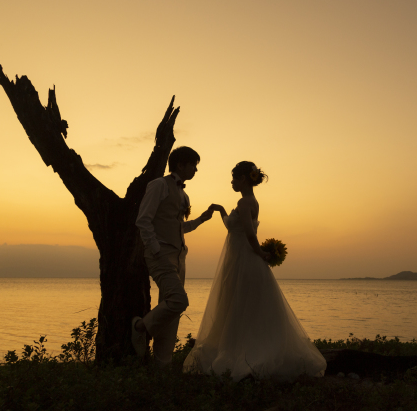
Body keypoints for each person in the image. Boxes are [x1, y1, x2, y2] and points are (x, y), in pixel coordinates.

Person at [183, 161, 327, 381]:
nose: (231, 182)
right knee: (241, 308)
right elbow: (234, 227)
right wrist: (221, 211)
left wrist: (260, 253)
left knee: (240, 307)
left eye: (233, 178)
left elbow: (250, 234)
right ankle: (244, 348)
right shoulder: (250, 201)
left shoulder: (244, 202)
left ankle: (245, 354)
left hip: (245, 260)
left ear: (243, 179)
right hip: (240, 260)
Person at [131, 146, 216, 365]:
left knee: (172, 312)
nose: (196, 170)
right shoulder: (159, 185)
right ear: (180, 164)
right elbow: (143, 219)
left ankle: (163, 365)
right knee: (179, 301)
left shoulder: (184, 194)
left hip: (179, 256)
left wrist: (201, 220)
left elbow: (178, 227)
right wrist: (156, 249)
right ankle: (139, 327)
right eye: (193, 165)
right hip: (160, 254)